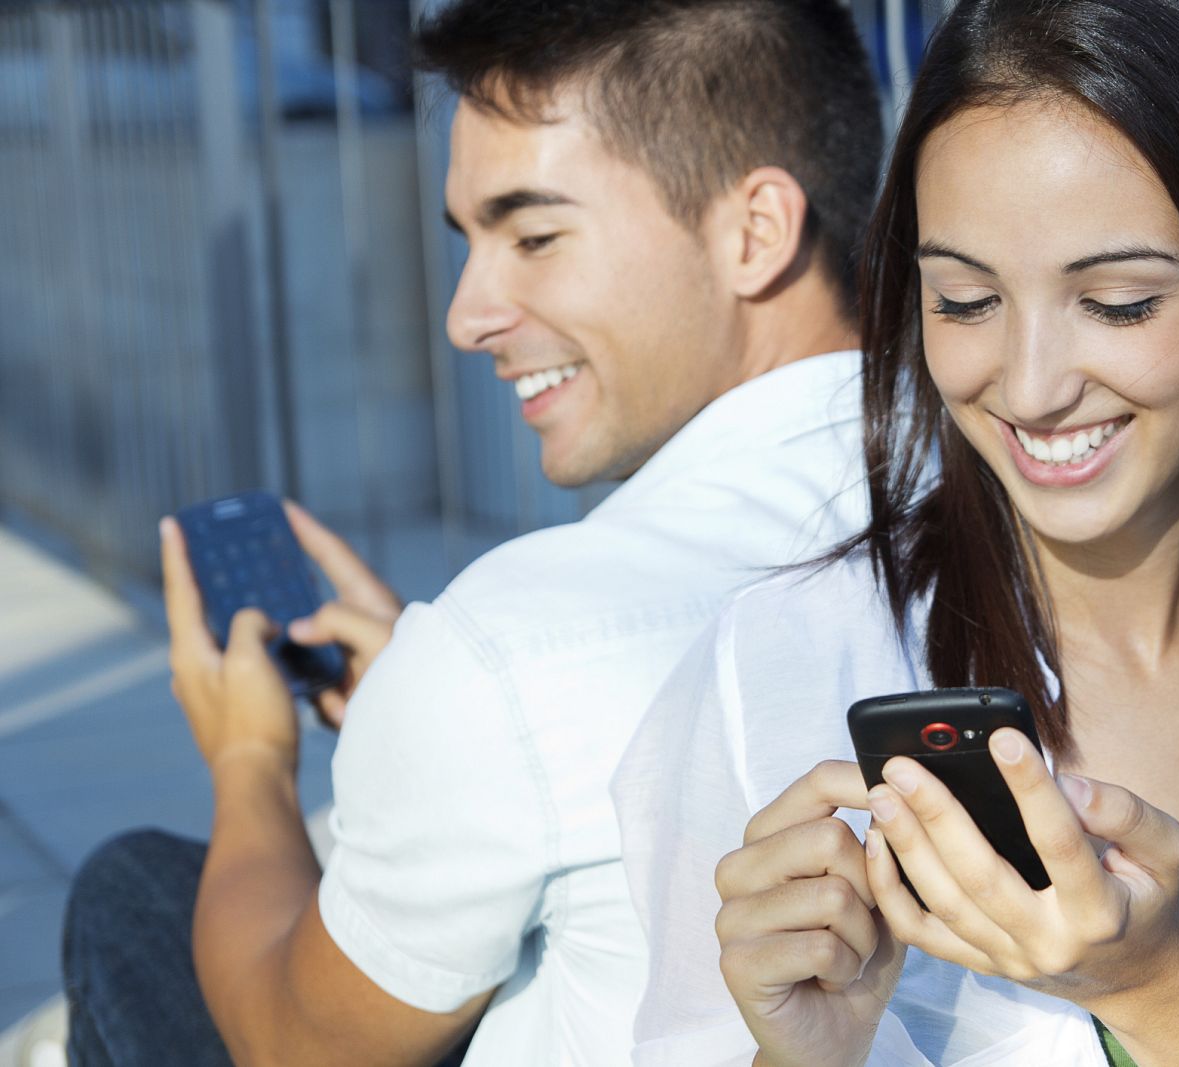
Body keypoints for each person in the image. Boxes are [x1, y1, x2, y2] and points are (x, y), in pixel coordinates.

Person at [612, 0, 1179, 1063]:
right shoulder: (776, 668)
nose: (1030, 385)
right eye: (964, 300)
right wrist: (801, 1055)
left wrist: (1157, 985)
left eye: (1116, 303)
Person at [59, 1, 882, 1064]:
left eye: (533, 235)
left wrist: (251, 756)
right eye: (472, 242)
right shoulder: (1021, 487)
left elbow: (296, 1042)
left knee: (137, 889)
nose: (467, 313)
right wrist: (429, 699)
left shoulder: (513, 642)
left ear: (755, 230)